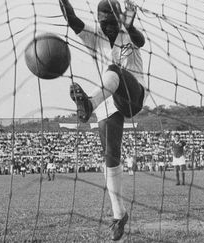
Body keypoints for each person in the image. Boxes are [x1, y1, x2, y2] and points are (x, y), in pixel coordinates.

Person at [59, 0, 145, 240]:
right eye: (102, 22)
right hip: (108, 101)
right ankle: (119, 215)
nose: (105, 26)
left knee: (114, 70)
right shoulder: (94, 35)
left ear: (118, 20)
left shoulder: (128, 32)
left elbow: (140, 39)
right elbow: (72, 19)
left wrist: (128, 22)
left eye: (110, 22)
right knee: (110, 156)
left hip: (133, 94)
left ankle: (88, 104)